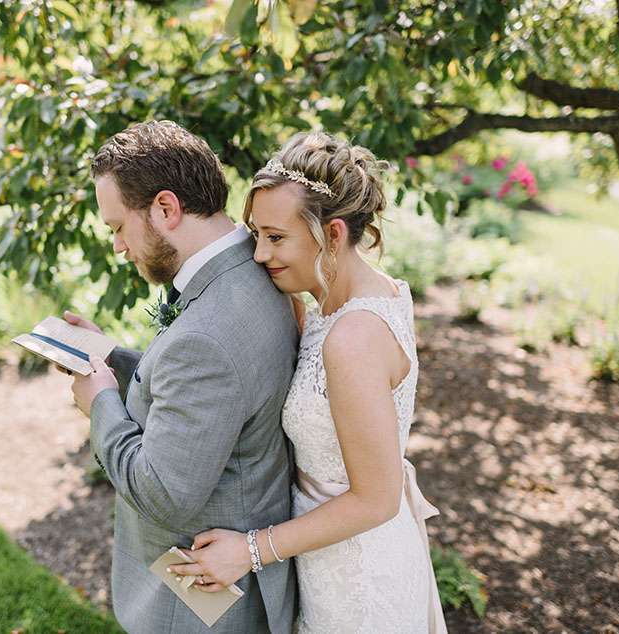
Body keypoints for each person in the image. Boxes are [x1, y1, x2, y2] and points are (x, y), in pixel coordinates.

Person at [168, 131, 448, 633]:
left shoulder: (354, 339)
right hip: (325, 559)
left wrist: (249, 553)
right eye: (256, 234)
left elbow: (376, 499)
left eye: (276, 238)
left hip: (358, 584)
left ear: (333, 235)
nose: (259, 254)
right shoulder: (350, 297)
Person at [65, 120, 299, 633]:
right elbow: (207, 393)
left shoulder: (208, 334)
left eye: (118, 227)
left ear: (165, 209)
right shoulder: (250, 270)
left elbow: (163, 495)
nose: (120, 247)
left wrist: (100, 402)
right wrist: (112, 359)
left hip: (198, 601)